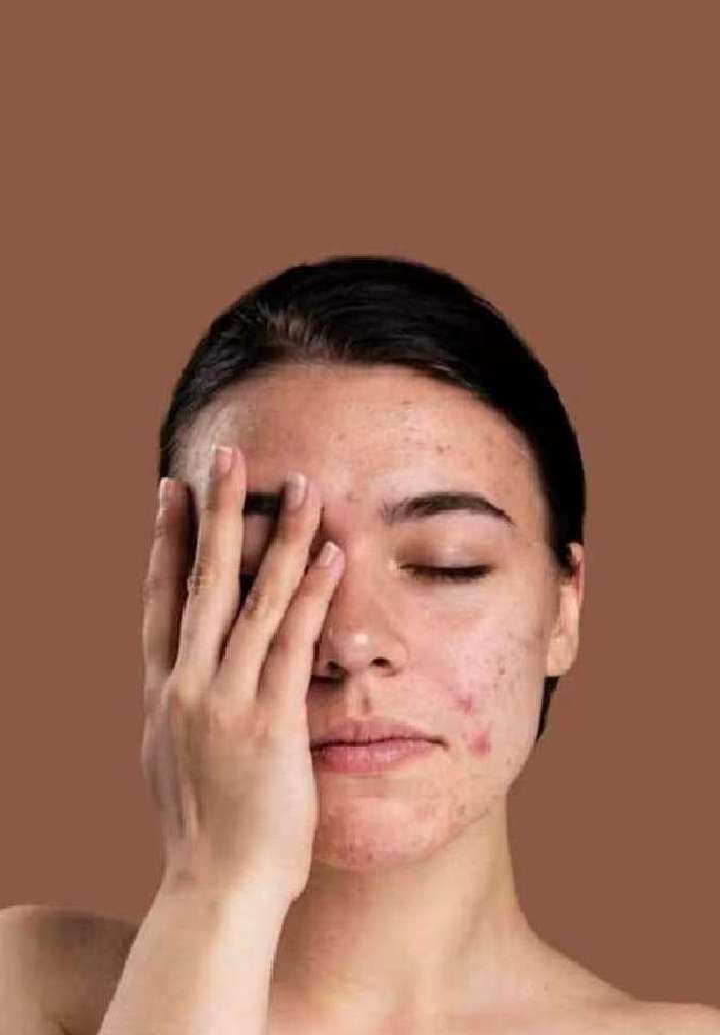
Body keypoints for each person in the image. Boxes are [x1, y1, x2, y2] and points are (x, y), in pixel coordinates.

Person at [2, 255, 717, 1034]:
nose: (350, 641)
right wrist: (216, 887)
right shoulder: (26, 986)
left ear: (564, 611)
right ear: (176, 602)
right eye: (261, 570)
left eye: (447, 564)